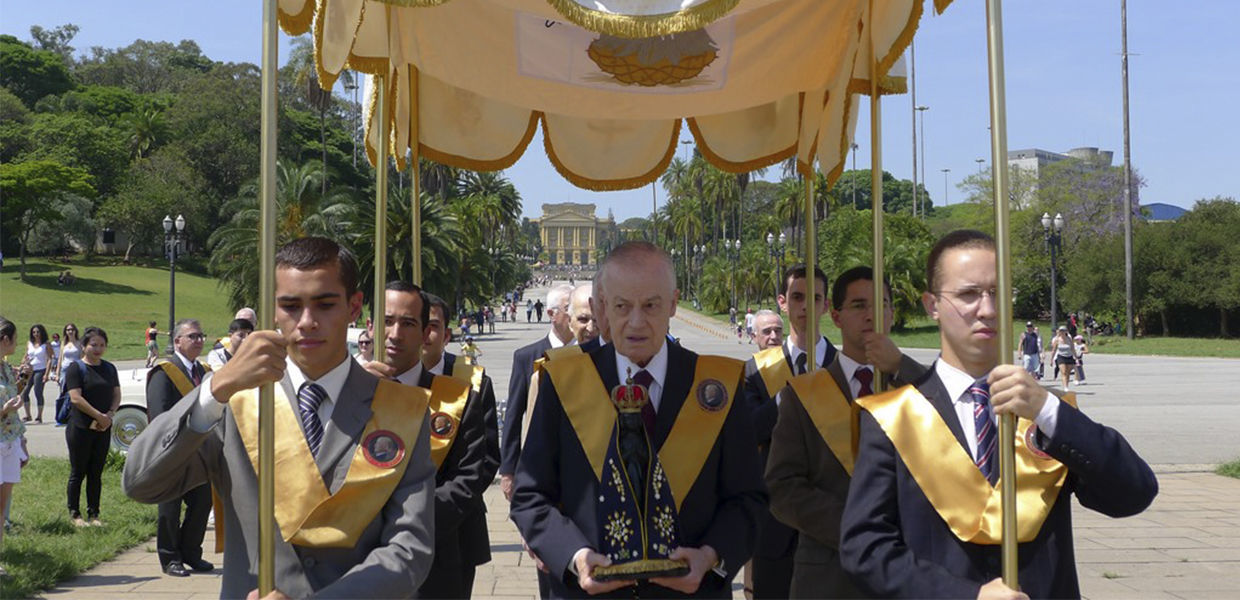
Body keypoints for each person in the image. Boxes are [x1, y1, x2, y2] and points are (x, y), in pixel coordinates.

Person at [839, 230, 1158, 599]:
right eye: (968, 294)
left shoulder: (1045, 413)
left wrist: (1048, 409)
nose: (987, 310)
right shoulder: (894, 416)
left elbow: (1134, 493)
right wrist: (966, 596)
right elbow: (864, 549)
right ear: (932, 305)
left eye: (998, 292)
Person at [123, 237, 436, 599]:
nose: (307, 322)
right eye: (290, 305)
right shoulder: (236, 403)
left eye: (324, 305)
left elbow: (409, 549)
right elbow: (140, 482)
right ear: (272, 310)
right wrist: (215, 388)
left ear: (354, 307)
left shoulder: (401, 409)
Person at [511, 241, 766, 598]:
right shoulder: (563, 380)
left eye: (650, 305)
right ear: (601, 307)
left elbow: (748, 499)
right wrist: (576, 556)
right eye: (621, 306)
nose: (636, 322)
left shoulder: (715, 386)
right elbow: (530, 496)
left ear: (674, 303)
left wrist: (710, 556)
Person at [765, 266, 926, 598]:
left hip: (914, 570)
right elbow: (782, 487)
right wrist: (858, 528)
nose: (872, 315)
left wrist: (900, 367)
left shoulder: (919, 385)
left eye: (881, 304)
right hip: (830, 575)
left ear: (893, 314)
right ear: (836, 317)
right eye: (859, 305)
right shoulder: (803, 394)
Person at [362, 282, 496, 599]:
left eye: (408, 324)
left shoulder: (459, 400)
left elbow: (468, 479)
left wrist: (406, 520)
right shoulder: (346, 395)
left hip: (437, 556)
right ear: (369, 326)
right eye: (386, 321)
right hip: (355, 559)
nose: (395, 334)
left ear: (426, 334)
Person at [739, 266, 838, 599]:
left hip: (834, 525)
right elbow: (749, 431)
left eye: (815, 297)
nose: (806, 306)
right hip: (774, 527)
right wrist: (789, 394)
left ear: (826, 305)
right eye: (797, 297)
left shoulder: (846, 366)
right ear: (783, 302)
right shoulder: (758, 370)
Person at [147, 319, 215, 576]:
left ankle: (191, 552)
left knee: (201, 503)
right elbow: (160, 414)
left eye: (201, 336)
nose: (198, 340)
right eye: (192, 336)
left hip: (201, 452)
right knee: (170, 507)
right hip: (172, 450)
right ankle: (169, 557)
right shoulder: (164, 371)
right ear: (177, 341)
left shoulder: (203, 370)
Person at [499, 284, 574, 502]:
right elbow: (513, 416)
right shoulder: (526, 357)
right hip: (537, 466)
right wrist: (508, 470)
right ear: (551, 314)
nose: (575, 315)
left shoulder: (592, 354)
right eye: (568, 308)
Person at [63, 326, 120, 527]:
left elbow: (116, 394)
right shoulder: (76, 368)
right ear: (84, 346)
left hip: (103, 428)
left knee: (96, 472)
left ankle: (94, 514)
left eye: (102, 345)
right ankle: (75, 514)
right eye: (93, 344)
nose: (97, 349)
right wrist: (98, 416)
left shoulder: (109, 368)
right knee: (78, 471)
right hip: (80, 427)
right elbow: (75, 398)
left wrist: (109, 416)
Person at [1, 316, 31, 575]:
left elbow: (12, 394)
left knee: (2, 505)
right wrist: (3, 410)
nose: (17, 343)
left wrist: (23, 379)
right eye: (15, 338)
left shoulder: (6, 368)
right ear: (5, 339)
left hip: (9, 441)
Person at [19, 324, 53, 423]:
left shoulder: (46, 344)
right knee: (24, 391)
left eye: (38, 332)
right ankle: (28, 415)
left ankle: (39, 416)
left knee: (38, 392)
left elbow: (50, 358)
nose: (36, 334)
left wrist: (47, 373)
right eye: (34, 332)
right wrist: (22, 363)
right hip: (28, 369)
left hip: (40, 369)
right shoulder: (29, 343)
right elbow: (26, 355)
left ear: (42, 332)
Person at [54, 323, 83, 426]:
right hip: (64, 370)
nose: (70, 332)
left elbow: (81, 358)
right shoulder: (64, 344)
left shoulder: (79, 344)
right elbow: (60, 359)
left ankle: (72, 416)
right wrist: (57, 373)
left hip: (75, 370)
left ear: (75, 331)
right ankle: (61, 417)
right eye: (68, 330)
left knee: (74, 393)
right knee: (63, 393)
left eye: (72, 330)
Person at [567, 284, 600, 349]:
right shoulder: (560, 358)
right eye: (583, 319)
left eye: (597, 320)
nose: (590, 329)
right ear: (570, 322)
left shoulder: (622, 358)